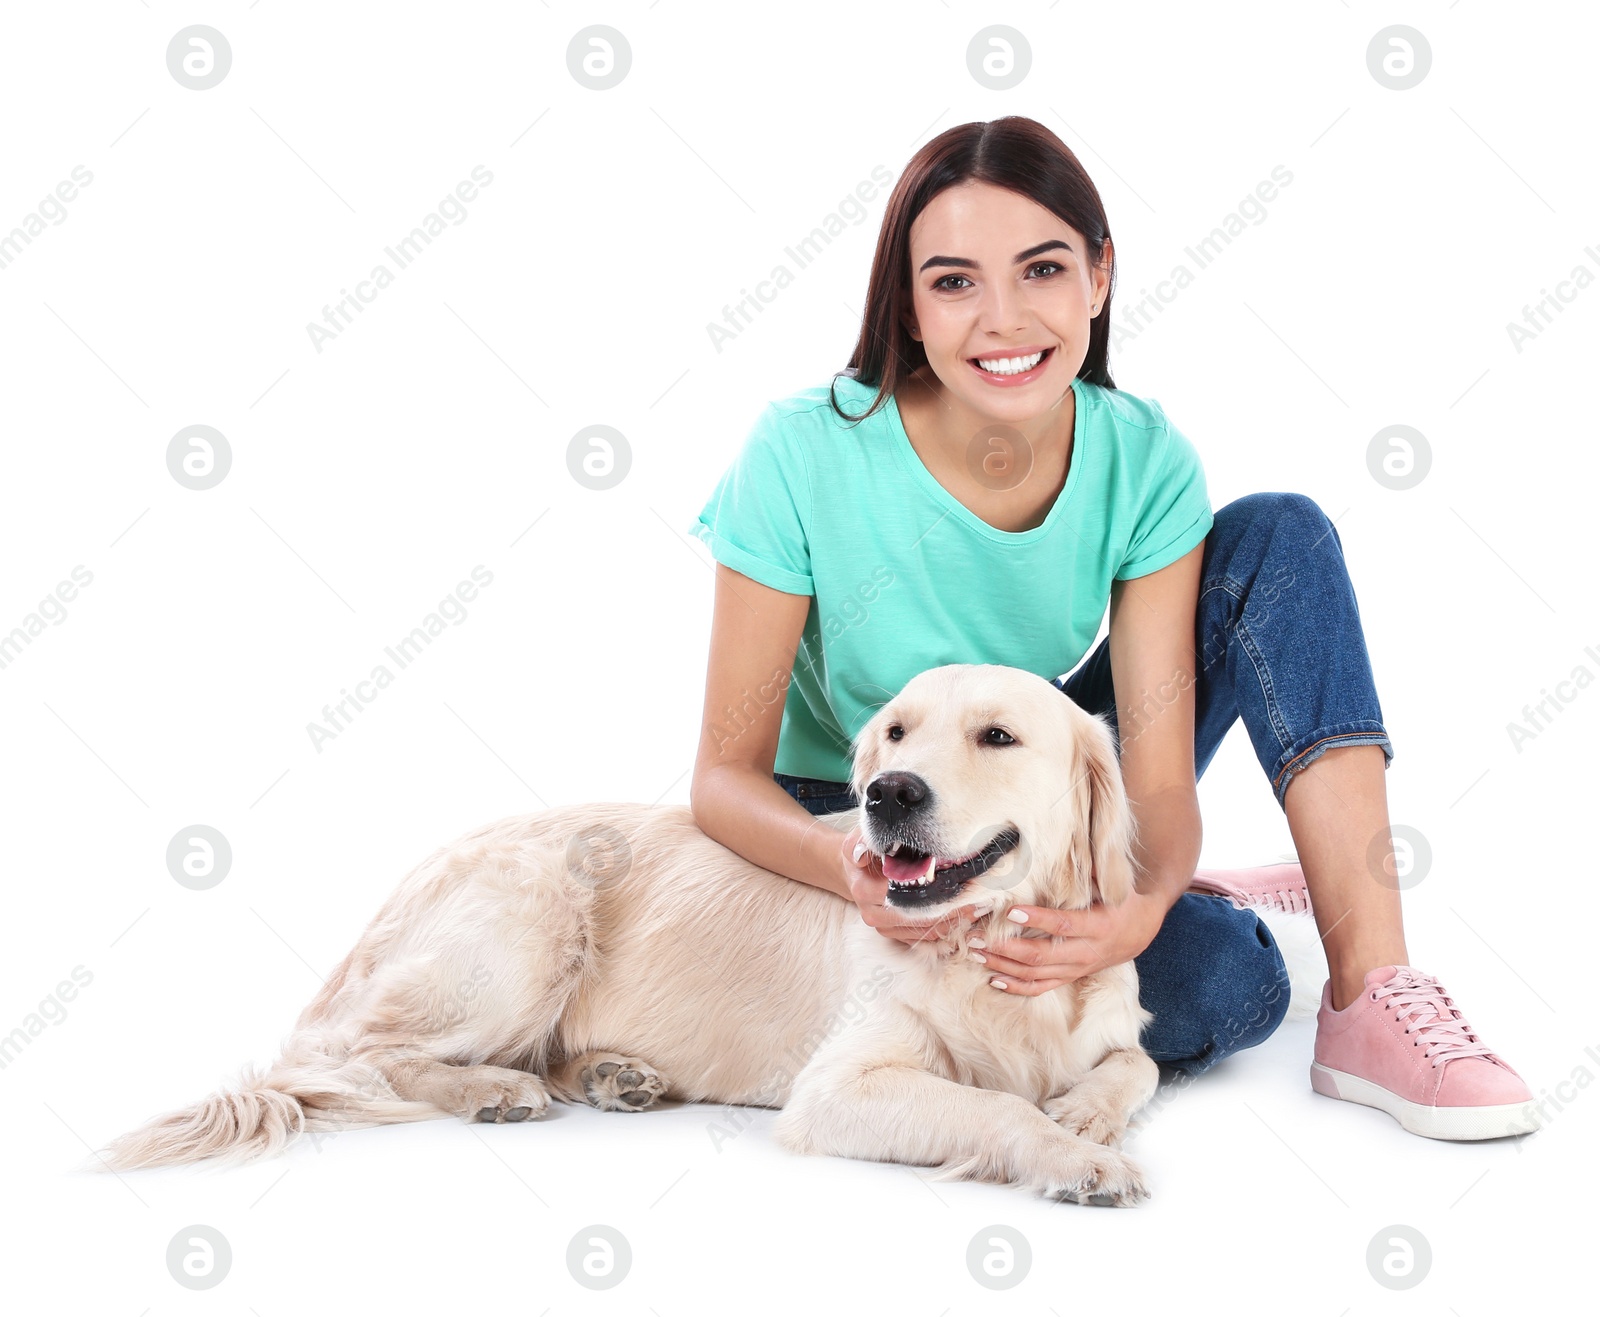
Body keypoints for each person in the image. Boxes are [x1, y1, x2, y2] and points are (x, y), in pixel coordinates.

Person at [685, 115, 1537, 1142]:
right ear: (906, 308)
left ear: (1097, 277)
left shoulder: (1142, 461)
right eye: (953, 282)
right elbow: (722, 779)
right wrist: (851, 872)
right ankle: (1222, 893)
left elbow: (1158, 781)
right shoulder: (801, 451)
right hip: (856, 820)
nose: (1002, 319)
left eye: (1040, 269)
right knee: (1223, 981)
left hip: (1028, 771)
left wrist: (1136, 907)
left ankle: (1369, 990)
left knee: (1282, 535)